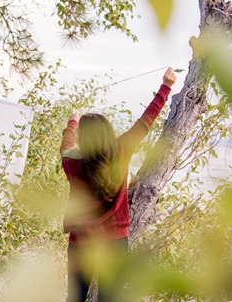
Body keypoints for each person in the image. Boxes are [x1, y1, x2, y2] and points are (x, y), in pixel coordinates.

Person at [60, 68, 176, 302]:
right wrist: (165, 87)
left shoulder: (71, 161)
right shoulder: (121, 151)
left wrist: (73, 121)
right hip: (114, 242)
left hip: (81, 243)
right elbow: (145, 122)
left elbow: (66, 144)